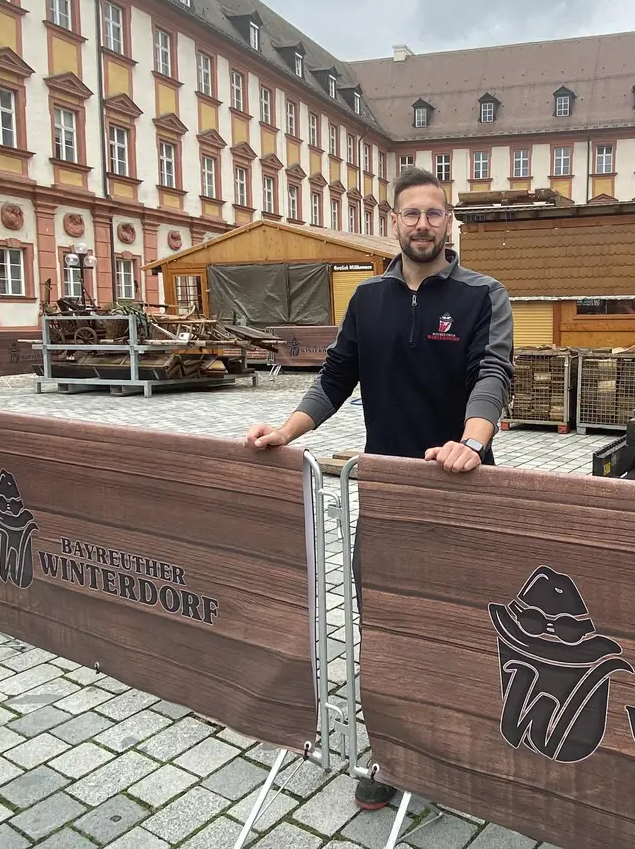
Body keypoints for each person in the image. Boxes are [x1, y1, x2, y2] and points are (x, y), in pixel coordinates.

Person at [244, 164, 514, 811]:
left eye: (434, 212)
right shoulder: (367, 300)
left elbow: (494, 373)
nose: (423, 223)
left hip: (464, 493)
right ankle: (394, 753)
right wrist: (286, 431)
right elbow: (335, 377)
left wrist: (470, 444)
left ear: (449, 222)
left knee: (470, 629)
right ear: (393, 223)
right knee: (386, 633)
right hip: (387, 497)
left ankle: (474, 749)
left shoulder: (483, 295)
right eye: (411, 213)